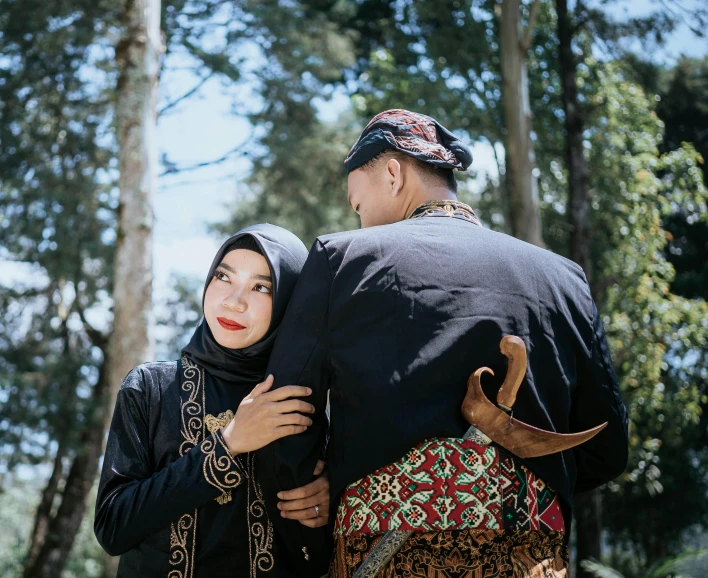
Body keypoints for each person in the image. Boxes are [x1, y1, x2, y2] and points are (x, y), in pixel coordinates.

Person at [257, 110, 629, 577]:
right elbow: (606, 448)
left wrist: (326, 494)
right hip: (527, 555)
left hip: (381, 557)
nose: (360, 219)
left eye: (357, 205)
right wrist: (513, 497)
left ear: (393, 173)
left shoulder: (342, 260)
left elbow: (288, 417)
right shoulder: (562, 278)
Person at [95, 224, 330, 577]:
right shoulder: (150, 388)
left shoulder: (303, 402)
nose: (233, 301)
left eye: (261, 287)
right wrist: (227, 444)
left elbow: (315, 556)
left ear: (288, 303)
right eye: (223, 277)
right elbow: (113, 528)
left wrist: (333, 501)